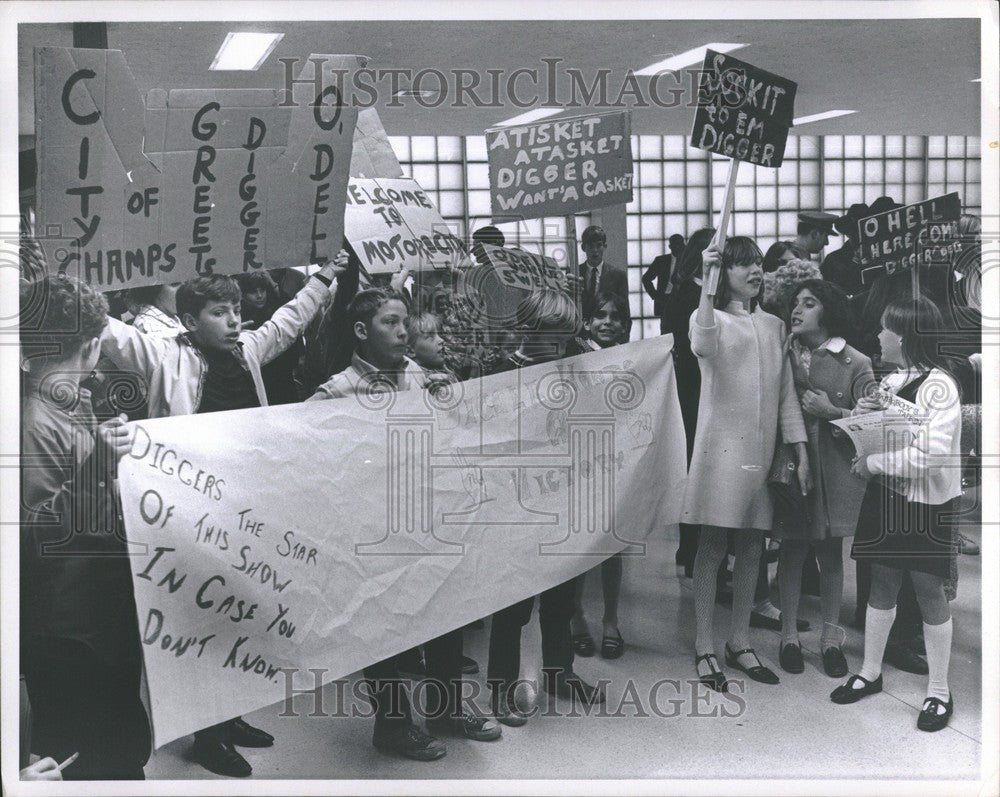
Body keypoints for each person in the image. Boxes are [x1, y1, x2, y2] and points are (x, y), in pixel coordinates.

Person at [99, 254, 348, 777]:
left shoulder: (249, 351)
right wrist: (65, 284)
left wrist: (326, 277)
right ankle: (207, 736)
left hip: (243, 505)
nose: (235, 320)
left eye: (235, 309)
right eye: (220, 311)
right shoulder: (162, 353)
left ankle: (229, 718)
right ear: (191, 321)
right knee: (202, 624)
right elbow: (109, 330)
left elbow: (289, 320)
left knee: (242, 615)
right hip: (189, 511)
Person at [308, 288, 501, 759]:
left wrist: (450, 402)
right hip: (375, 530)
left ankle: (447, 708)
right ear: (361, 330)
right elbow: (305, 456)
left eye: (403, 322)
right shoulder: (337, 390)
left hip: (429, 519)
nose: (402, 332)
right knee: (381, 627)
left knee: (443, 614)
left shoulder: (422, 376)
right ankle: (391, 726)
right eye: (390, 323)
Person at [20, 275, 149, 780]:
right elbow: (38, 538)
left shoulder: (65, 404)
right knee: (97, 757)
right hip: (71, 632)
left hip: (95, 616)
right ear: (93, 346)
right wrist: (98, 466)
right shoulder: (35, 419)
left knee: (116, 740)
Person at [681, 236, 810, 692]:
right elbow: (701, 345)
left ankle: (740, 640)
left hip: (761, 454)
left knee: (754, 547)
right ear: (723, 275)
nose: (755, 271)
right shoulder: (708, 319)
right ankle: (703, 644)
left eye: (757, 263)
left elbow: (786, 395)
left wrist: (798, 447)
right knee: (713, 547)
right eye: (742, 265)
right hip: (721, 453)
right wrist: (706, 282)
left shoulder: (775, 326)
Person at [832, 296, 963, 733]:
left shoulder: (940, 386)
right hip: (888, 499)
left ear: (905, 334)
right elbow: (882, 433)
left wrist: (872, 463)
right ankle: (870, 671)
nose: (878, 336)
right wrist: (862, 416)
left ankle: (939, 691)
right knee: (880, 582)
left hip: (925, 505)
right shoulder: (896, 378)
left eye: (885, 329)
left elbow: (929, 455)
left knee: (929, 592)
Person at [486, 290, 607, 725]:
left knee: (562, 596)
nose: (561, 344)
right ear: (529, 329)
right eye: (553, 335)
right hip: (516, 504)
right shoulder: (501, 373)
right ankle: (499, 687)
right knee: (513, 604)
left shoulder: (571, 372)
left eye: (566, 336)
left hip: (562, 497)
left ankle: (560, 671)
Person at [773, 280, 875, 677]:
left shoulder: (856, 361)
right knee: (792, 551)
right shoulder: (782, 353)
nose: (797, 310)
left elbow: (872, 422)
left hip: (834, 468)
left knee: (830, 555)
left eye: (809, 303)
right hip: (791, 461)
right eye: (795, 303)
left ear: (827, 311)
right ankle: (788, 637)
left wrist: (833, 410)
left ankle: (831, 640)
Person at [569, 291, 630, 659]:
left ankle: (611, 620)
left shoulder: (632, 358)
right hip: (580, 460)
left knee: (612, 546)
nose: (607, 322)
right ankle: (576, 617)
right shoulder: (573, 356)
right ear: (587, 322)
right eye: (600, 315)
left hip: (617, 461)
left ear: (624, 324)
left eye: (615, 316)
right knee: (579, 546)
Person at [663, 228, 715, 577]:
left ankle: (691, 549)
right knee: (696, 466)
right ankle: (694, 550)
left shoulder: (696, 292)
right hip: (693, 387)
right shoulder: (690, 295)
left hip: (695, 386)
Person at [236, 270, 303, 405]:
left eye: (262, 290)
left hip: (282, 375)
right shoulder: (239, 320)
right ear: (243, 295)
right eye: (253, 292)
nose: (260, 296)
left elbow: (290, 310)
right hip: (258, 377)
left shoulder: (273, 310)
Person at [575, 225, 629, 320]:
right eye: (591, 246)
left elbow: (625, 312)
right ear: (583, 247)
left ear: (604, 246)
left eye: (599, 245)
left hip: (607, 330)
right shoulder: (574, 273)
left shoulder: (618, 276)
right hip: (580, 330)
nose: (595, 250)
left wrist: (625, 334)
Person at [821, 203, 869, 296]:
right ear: (847, 233)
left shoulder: (882, 256)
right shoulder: (833, 260)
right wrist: (855, 262)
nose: (861, 237)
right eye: (855, 232)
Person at [642, 233, 685, 328]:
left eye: (680, 244)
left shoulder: (689, 261)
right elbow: (646, 278)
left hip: (684, 300)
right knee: (666, 331)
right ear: (670, 246)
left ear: (684, 245)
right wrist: (655, 296)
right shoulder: (661, 261)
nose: (678, 247)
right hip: (665, 300)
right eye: (675, 244)